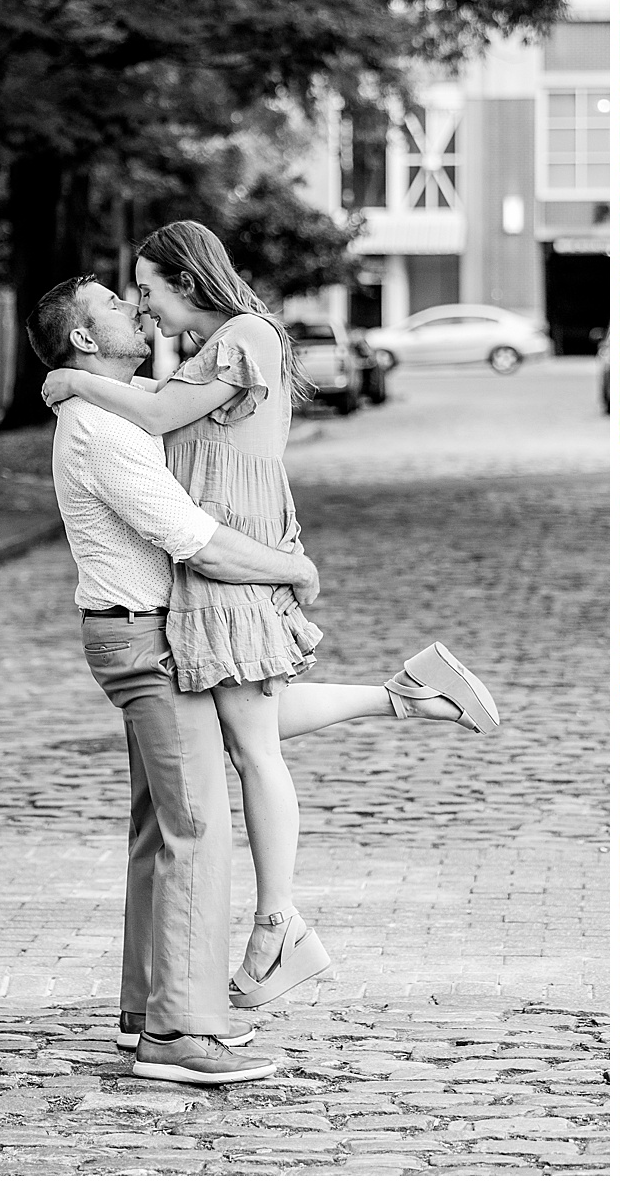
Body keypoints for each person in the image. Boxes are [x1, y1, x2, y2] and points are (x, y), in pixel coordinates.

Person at [29, 273, 495, 1084]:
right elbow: (196, 542)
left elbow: (176, 401)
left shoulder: (108, 403)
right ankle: (178, 1036)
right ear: (81, 336)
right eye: (114, 303)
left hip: (140, 635)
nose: (135, 310)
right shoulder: (99, 428)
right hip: (147, 641)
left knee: (163, 820)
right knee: (196, 831)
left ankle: (149, 1011)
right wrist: (291, 568)